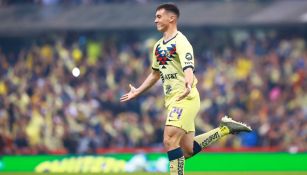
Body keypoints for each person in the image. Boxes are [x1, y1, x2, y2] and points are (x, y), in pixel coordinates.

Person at [120, 3, 252, 175]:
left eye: (159, 16)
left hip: (185, 97)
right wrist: (138, 91)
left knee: (169, 140)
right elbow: (155, 74)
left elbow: (188, 69)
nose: (155, 20)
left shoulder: (181, 42)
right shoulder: (158, 46)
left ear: (171, 18)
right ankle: (225, 129)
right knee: (187, 150)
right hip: (172, 101)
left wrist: (188, 84)